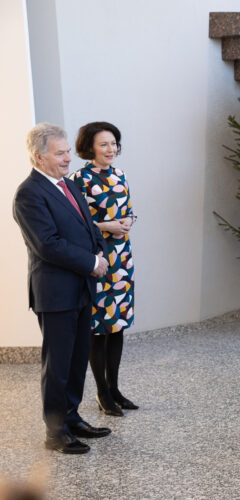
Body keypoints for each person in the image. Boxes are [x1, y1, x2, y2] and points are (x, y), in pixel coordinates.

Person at [13, 123, 111, 454]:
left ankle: (71, 418)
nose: (69, 158)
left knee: (76, 359)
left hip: (81, 288)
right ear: (39, 156)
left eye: (68, 151)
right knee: (57, 365)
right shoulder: (29, 194)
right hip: (55, 294)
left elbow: (88, 227)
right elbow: (48, 245)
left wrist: (99, 253)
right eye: (60, 153)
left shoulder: (66, 185)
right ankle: (55, 433)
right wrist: (90, 262)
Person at [71, 122, 138, 416]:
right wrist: (106, 226)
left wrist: (127, 222)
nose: (111, 150)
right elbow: (73, 225)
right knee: (99, 328)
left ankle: (115, 389)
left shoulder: (120, 174)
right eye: (104, 145)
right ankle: (101, 393)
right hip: (98, 260)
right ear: (89, 147)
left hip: (122, 257)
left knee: (118, 325)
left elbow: (127, 210)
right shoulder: (79, 179)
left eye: (114, 144)